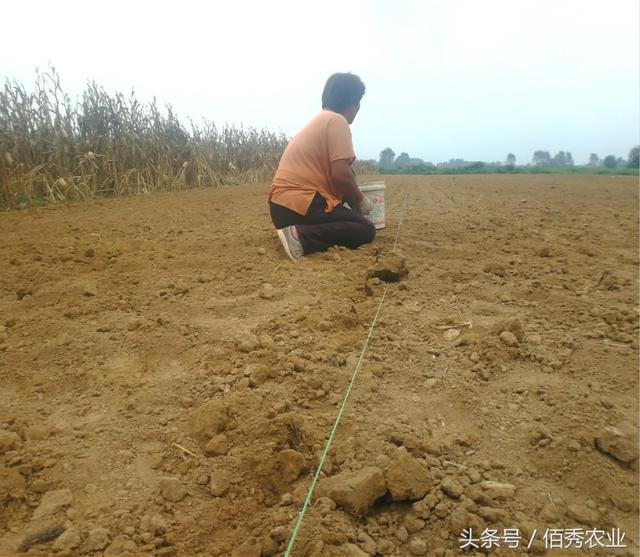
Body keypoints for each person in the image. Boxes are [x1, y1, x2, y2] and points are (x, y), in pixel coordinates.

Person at [268, 72, 376, 261]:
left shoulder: (321, 120)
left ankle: (297, 231)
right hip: (301, 204)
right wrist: (360, 202)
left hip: (282, 208)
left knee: (350, 202)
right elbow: (341, 175)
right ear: (354, 104)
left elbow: (342, 176)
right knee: (365, 229)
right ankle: (300, 237)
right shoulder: (337, 121)